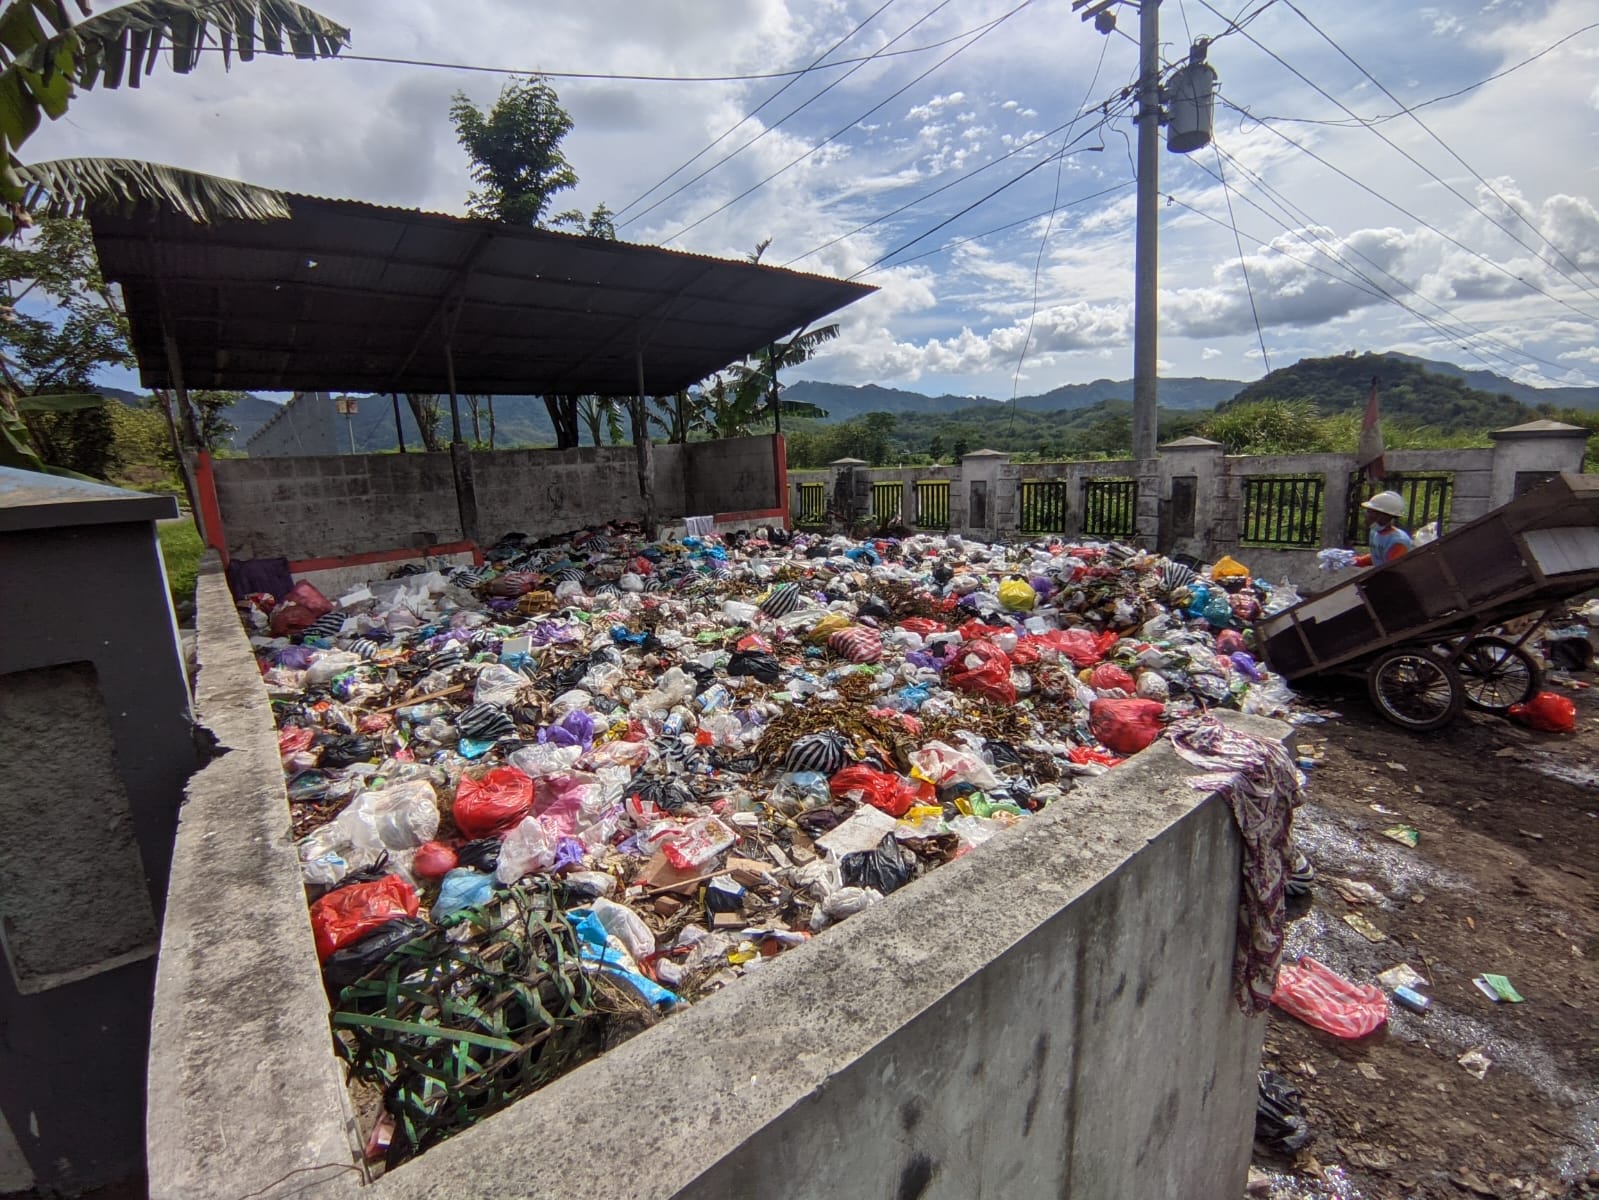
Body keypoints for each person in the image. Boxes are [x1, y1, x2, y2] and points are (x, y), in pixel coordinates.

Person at [1353, 490, 1412, 567]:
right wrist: (1359, 561)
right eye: (1368, 511)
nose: (1367, 515)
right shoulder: (1374, 531)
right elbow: (1378, 556)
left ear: (1385, 516)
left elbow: (1392, 569)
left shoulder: (1399, 542)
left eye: (1371, 512)